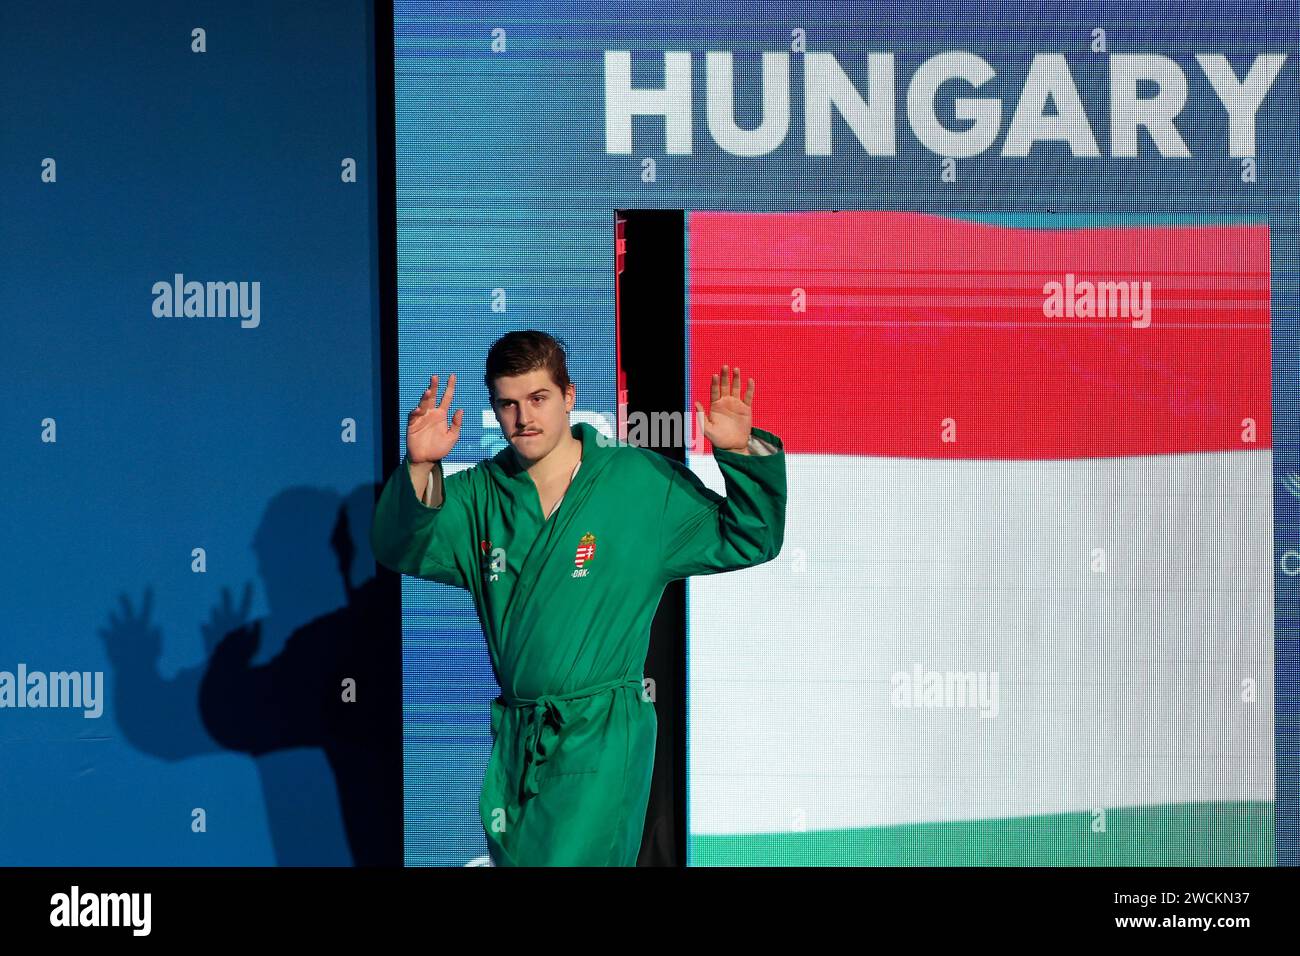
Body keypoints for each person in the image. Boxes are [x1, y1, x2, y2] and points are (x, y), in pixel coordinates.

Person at [370, 330, 786, 866]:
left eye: (538, 398)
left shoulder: (635, 482)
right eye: (508, 404)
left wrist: (737, 452)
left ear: (569, 395)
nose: (524, 418)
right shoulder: (479, 494)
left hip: (603, 736)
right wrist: (422, 467)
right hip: (520, 742)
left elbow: (750, 534)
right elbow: (402, 545)